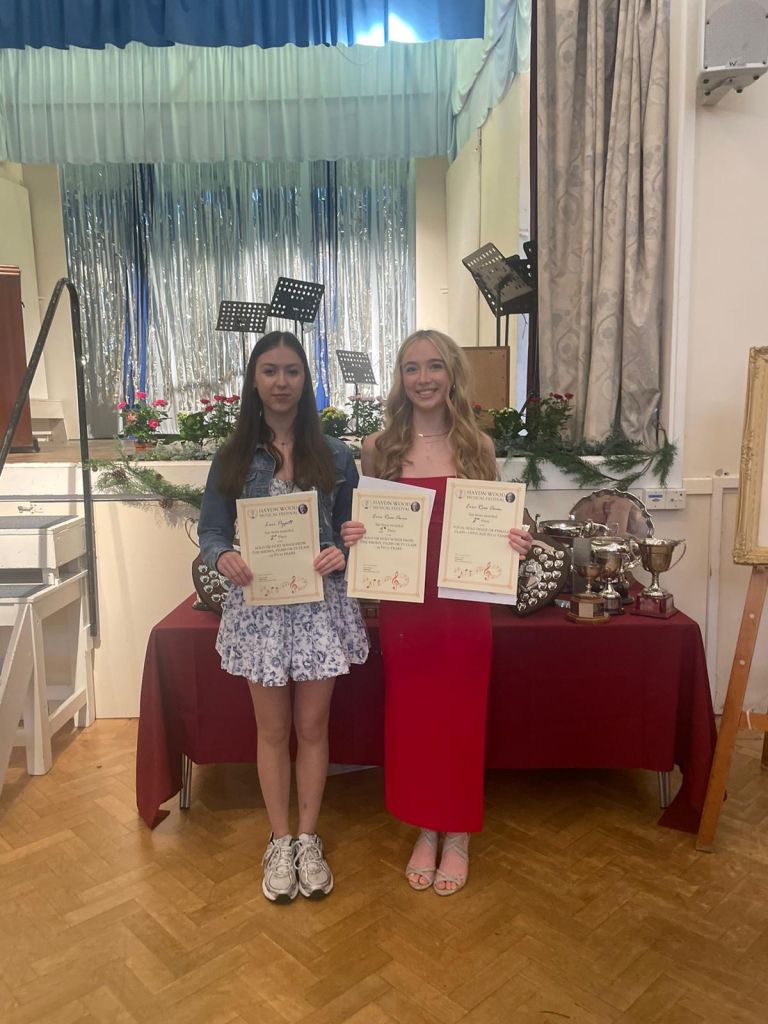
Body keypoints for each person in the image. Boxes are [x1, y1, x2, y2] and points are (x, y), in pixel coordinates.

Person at [341, 329, 532, 895]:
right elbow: (372, 525)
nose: (423, 379)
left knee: (461, 717)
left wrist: (515, 539)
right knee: (415, 718)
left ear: (452, 374)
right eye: (411, 368)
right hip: (406, 606)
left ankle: (460, 833)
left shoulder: (479, 446)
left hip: (464, 606)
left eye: (434, 367)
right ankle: (427, 827)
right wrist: (356, 533)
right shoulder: (378, 447)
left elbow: (494, 522)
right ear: (400, 378)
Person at [198, 331, 369, 903]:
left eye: (291, 371)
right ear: (254, 380)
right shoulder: (232, 455)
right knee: (271, 731)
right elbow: (211, 531)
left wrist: (343, 550)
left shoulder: (336, 455)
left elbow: (353, 530)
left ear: (305, 379)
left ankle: (309, 838)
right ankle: (279, 840)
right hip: (261, 610)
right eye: (269, 371)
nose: (280, 381)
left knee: (313, 728)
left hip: (319, 607)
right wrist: (221, 556)